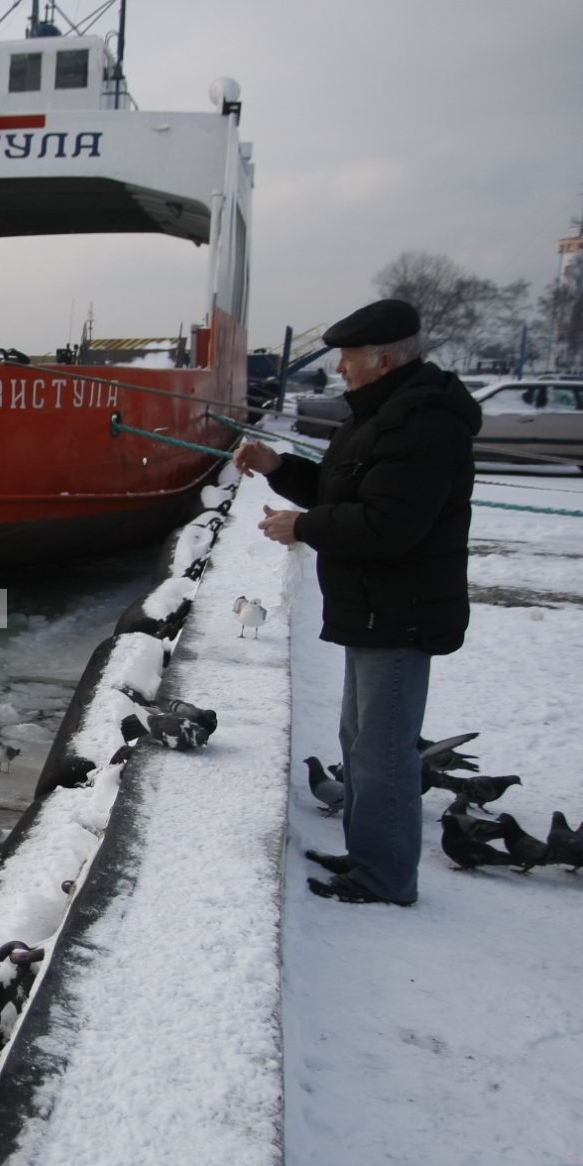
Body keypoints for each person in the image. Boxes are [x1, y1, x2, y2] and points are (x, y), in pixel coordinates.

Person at [231, 298, 479, 906]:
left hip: (401, 610)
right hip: (373, 608)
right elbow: (342, 487)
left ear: (384, 359)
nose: (340, 367)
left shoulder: (420, 423)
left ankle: (384, 877)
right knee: (358, 740)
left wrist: (304, 528)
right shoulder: (384, 413)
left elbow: (390, 524)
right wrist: (276, 465)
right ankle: (367, 854)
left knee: (384, 752)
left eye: (348, 357)